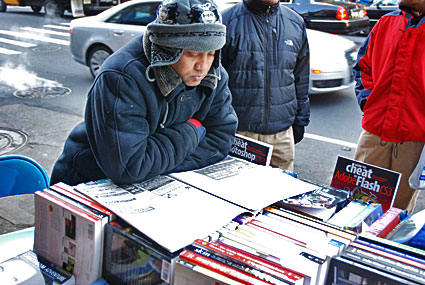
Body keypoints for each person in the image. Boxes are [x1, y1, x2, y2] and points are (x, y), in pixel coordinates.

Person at [50, 0, 238, 186]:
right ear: (168, 49)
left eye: (211, 53)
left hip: (154, 184)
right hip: (87, 182)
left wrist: (156, 165)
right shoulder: (122, 76)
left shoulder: (215, 73)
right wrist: (194, 129)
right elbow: (130, 167)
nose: (203, 66)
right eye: (193, 54)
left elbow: (222, 139)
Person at [353, 0, 425, 213]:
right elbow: (363, 67)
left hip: (414, 141)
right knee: (357, 203)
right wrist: (368, 102)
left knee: (396, 215)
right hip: (374, 134)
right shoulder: (386, 22)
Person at [221, 0, 310, 172]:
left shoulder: (295, 22)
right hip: (239, 135)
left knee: (283, 194)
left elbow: (301, 77)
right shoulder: (227, 21)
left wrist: (300, 121)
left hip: (282, 135)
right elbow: (214, 83)